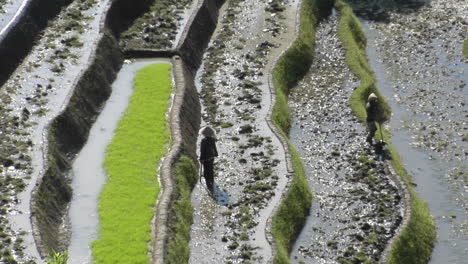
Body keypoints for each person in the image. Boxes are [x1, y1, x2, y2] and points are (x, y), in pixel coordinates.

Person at [199, 126, 218, 192]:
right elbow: (214, 148)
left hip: (205, 158)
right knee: (211, 168)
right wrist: (216, 154)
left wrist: (201, 158)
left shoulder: (203, 141)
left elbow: (202, 151)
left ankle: (208, 182)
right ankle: (212, 180)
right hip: (211, 157)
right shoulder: (212, 139)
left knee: (206, 169)